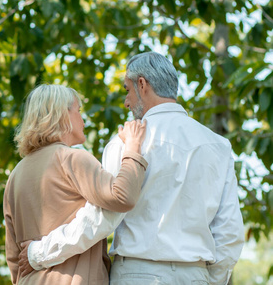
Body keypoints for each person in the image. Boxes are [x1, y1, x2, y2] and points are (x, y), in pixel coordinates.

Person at [20, 52, 245, 285]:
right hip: (197, 276)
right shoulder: (218, 146)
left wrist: (39, 253)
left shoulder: (125, 143)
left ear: (142, 84)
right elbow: (229, 233)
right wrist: (208, 279)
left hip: (138, 274)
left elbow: (102, 218)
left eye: (127, 90)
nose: (126, 101)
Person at [3, 84, 148, 284]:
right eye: (78, 111)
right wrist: (133, 148)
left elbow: (13, 256)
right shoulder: (72, 159)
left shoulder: (15, 176)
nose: (82, 119)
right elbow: (123, 196)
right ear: (62, 115)